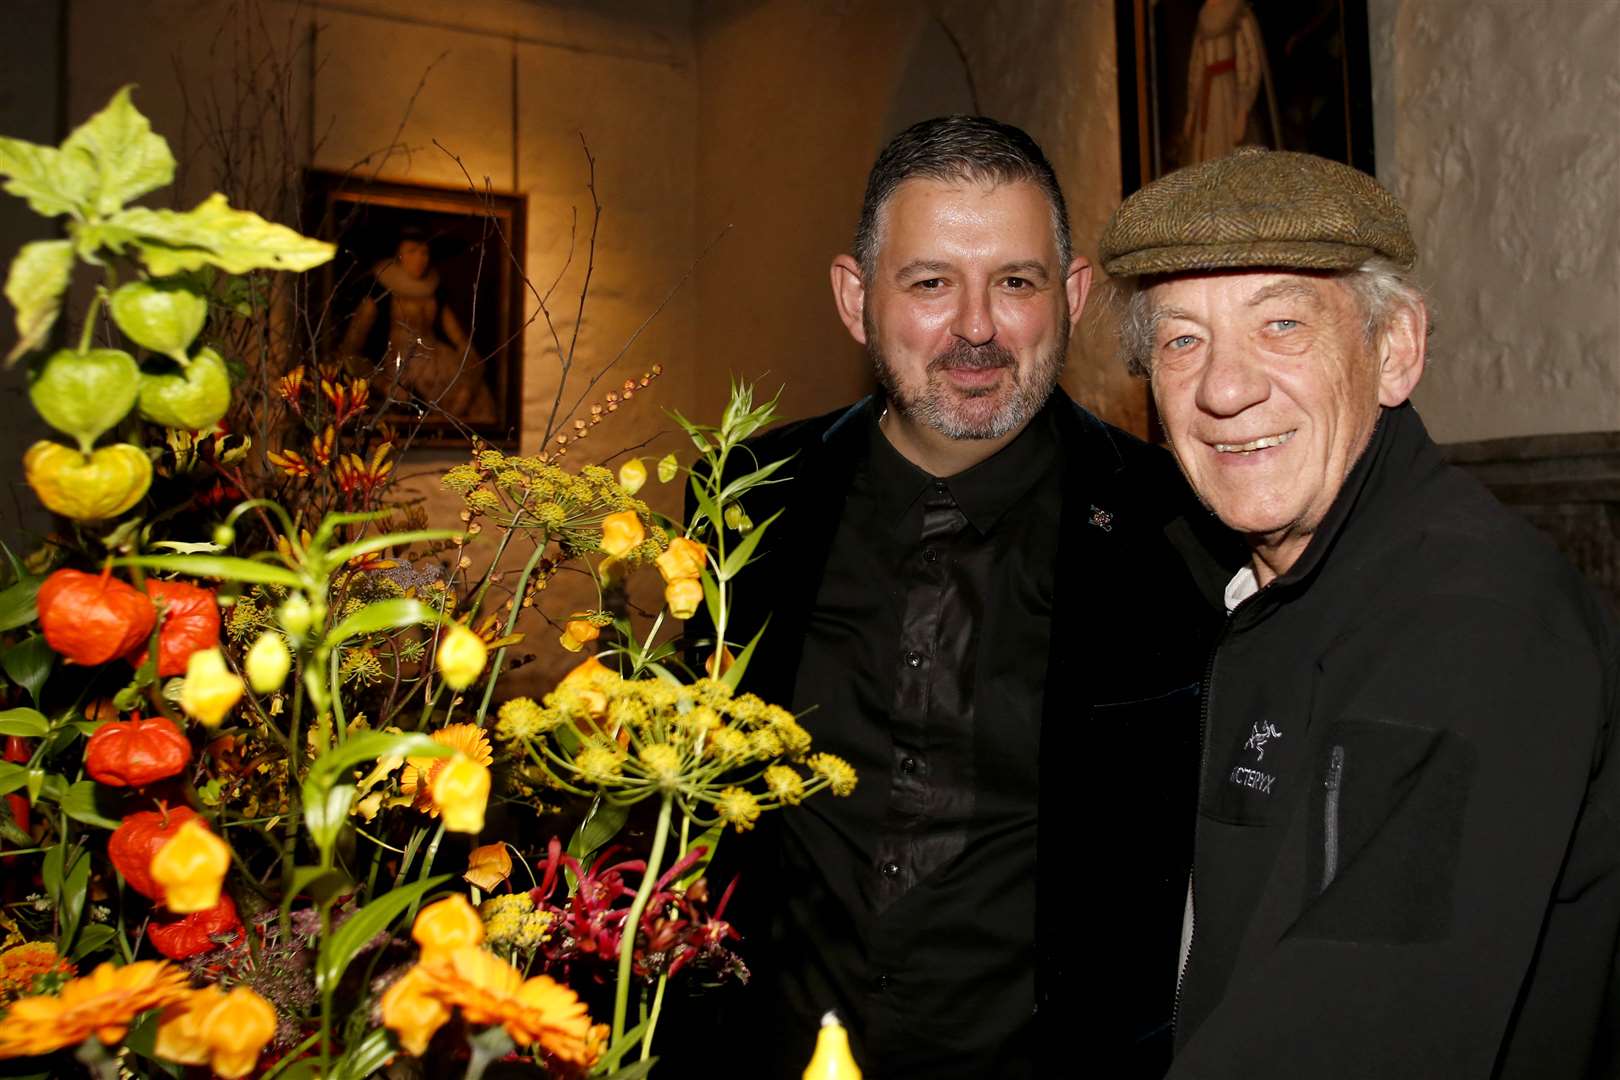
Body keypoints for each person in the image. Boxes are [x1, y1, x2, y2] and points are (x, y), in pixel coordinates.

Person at [690, 116, 1228, 1079]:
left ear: (1070, 298)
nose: (977, 327)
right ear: (857, 300)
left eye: (1015, 283)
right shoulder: (741, 498)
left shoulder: (1174, 528)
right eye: (931, 282)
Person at [1099, 146, 1620, 1077]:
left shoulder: (1476, 626)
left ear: (1396, 350)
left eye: (1284, 325)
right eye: (1182, 340)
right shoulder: (1231, 583)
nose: (1224, 389)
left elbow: (1362, 1032)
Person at [337, 226, 496, 423]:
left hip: (440, 362)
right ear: (398, 255)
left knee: (472, 398)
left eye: (425, 252)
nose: (421, 258)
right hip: (400, 366)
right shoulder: (379, 292)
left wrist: (470, 362)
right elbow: (351, 347)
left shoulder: (435, 292)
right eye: (412, 251)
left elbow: (458, 336)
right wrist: (382, 383)